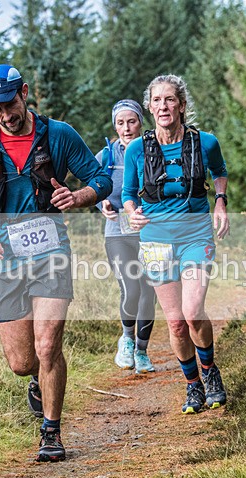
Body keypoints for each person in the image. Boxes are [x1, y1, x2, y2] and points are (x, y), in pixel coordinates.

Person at [0, 64, 112, 462]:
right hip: (3, 260)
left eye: (9, 103)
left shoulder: (58, 135)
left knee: (47, 345)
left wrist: (78, 197)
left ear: (24, 93)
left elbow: (102, 178)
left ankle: (51, 432)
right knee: (22, 362)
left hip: (50, 252)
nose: (4, 114)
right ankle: (38, 383)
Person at [122, 74, 229, 414]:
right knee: (176, 322)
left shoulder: (205, 142)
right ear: (150, 108)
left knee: (193, 310)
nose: (163, 106)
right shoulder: (138, 149)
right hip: (156, 240)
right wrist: (130, 212)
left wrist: (221, 202)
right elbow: (127, 194)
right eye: (157, 101)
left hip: (195, 235)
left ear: (182, 105)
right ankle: (192, 386)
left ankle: (210, 373)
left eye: (170, 100)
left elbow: (220, 172)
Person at [95, 99, 157, 374]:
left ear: (141, 123)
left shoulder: (154, 151)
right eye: (120, 123)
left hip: (151, 232)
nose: (126, 128)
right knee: (131, 289)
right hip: (117, 233)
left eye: (131, 121)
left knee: (149, 293)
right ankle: (127, 339)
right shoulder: (106, 157)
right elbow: (93, 187)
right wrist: (103, 205)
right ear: (114, 126)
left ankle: (142, 352)